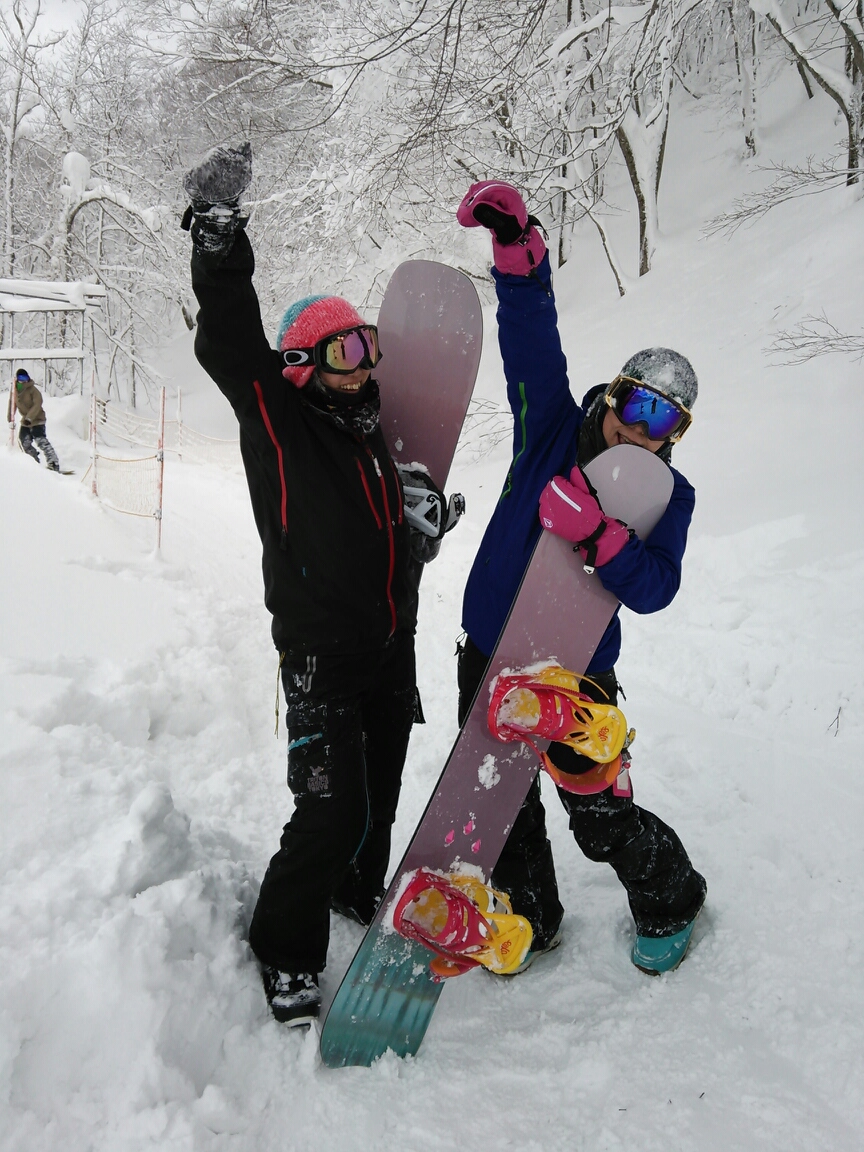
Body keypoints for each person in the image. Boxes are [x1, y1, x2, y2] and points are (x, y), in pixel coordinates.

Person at [184, 144, 442, 1026]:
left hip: (388, 647)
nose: (362, 363)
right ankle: (285, 948)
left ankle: (352, 892)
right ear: (300, 362)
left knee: (380, 796)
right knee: (330, 811)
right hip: (320, 659)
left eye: (366, 344)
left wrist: (419, 534)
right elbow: (228, 339)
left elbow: (372, 536)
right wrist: (219, 234)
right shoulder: (281, 421)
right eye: (342, 349)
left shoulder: (369, 431)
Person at [456, 181, 706, 976]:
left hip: (579, 669)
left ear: (676, 434)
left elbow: (656, 589)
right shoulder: (551, 430)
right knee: (501, 804)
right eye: (636, 404)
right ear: (614, 395)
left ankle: (673, 897)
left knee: (596, 812)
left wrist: (603, 536)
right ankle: (532, 916)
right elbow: (531, 339)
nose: (641, 428)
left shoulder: (667, 496)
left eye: (664, 420)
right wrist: (519, 255)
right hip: (488, 646)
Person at [8, 368, 60, 471]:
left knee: (41, 441)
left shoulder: (33, 390)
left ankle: (53, 463)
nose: (24, 381)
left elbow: (37, 404)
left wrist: (29, 418)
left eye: (25, 378)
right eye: (21, 378)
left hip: (37, 419)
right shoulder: (15, 391)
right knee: (24, 443)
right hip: (25, 421)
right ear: (17, 379)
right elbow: (12, 403)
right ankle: (33, 461)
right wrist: (10, 417)